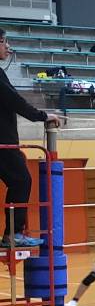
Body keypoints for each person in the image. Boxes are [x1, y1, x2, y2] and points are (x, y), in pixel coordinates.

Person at [0, 27, 66, 248]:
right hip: (3, 144)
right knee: (21, 180)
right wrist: (43, 116)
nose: (8, 46)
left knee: (18, 180)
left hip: (5, 144)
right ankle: (13, 235)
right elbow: (15, 101)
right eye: (3, 41)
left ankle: (12, 234)